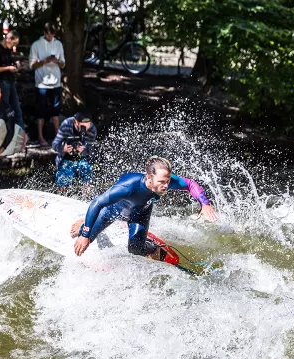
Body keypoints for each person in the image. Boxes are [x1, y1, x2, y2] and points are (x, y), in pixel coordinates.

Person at [73, 156, 218, 258]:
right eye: (162, 181)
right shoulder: (128, 187)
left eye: (168, 181)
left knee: (135, 249)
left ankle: (154, 247)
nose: (167, 186)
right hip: (112, 212)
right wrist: (85, 235)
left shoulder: (164, 181)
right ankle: (84, 221)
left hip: (140, 213)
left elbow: (190, 184)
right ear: (148, 178)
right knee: (85, 237)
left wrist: (204, 203)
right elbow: (97, 203)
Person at [29, 22, 65, 147]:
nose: (50, 37)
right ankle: (40, 137)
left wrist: (57, 61)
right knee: (40, 111)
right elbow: (32, 65)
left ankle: (58, 137)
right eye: (48, 35)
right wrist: (45, 61)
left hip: (56, 82)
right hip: (41, 84)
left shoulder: (58, 44)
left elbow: (63, 64)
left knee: (56, 111)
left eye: (52, 35)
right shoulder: (36, 45)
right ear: (44, 33)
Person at [51, 111, 97, 194]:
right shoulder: (66, 125)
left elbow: (91, 150)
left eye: (88, 126)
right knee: (63, 180)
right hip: (65, 158)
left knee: (87, 173)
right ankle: (62, 196)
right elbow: (54, 145)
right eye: (82, 126)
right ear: (75, 121)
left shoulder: (92, 129)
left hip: (83, 158)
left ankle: (86, 197)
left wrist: (84, 150)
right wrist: (63, 148)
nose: (85, 129)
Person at [0, 30, 25, 132]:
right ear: (8, 39)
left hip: (10, 82)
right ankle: (3, 138)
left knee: (17, 111)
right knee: (4, 112)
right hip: (1, 83)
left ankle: (21, 137)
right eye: (14, 43)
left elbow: (9, 64)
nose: (14, 46)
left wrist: (16, 65)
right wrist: (8, 68)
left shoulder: (8, 50)